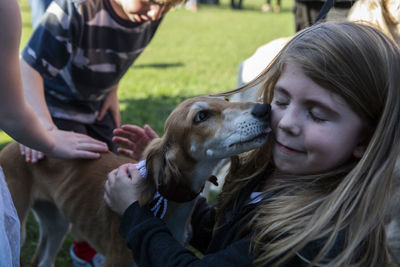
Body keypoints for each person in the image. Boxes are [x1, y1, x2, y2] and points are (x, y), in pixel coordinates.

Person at [104, 21, 400, 266]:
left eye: (317, 114)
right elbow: (224, 238)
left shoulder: (312, 240)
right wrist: (179, 174)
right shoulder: (272, 175)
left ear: (366, 139)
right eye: (281, 100)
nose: (284, 123)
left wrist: (134, 215)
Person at [19, 0, 184, 265]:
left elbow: (121, 52)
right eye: (151, 2)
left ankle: (97, 245)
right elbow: (28, 68)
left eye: (165, 7)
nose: (155, 13)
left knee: (110, 180)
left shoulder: (146, 14)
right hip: (52, 106)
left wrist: (112, 89)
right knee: (82, 187)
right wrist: (44, 128)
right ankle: (84, 251)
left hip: (95, 107)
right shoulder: (76, 7)